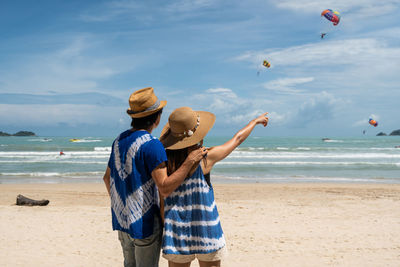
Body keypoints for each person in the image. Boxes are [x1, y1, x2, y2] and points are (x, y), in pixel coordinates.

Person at [103, 88, 207, 267]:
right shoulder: (152, 145)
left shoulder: (118, 141)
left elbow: (107, 178)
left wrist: (124, 206)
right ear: (157, 118)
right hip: (145, 223)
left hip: (122, 220)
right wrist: (189, 161)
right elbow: (165, 187)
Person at [159, 107, 269, 267]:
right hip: (206, 227)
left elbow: (161, 198)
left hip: (176, 229)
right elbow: (237, 139)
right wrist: (254, 122)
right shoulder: (205, 159)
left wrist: (165, 225)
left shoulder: (163, 161)